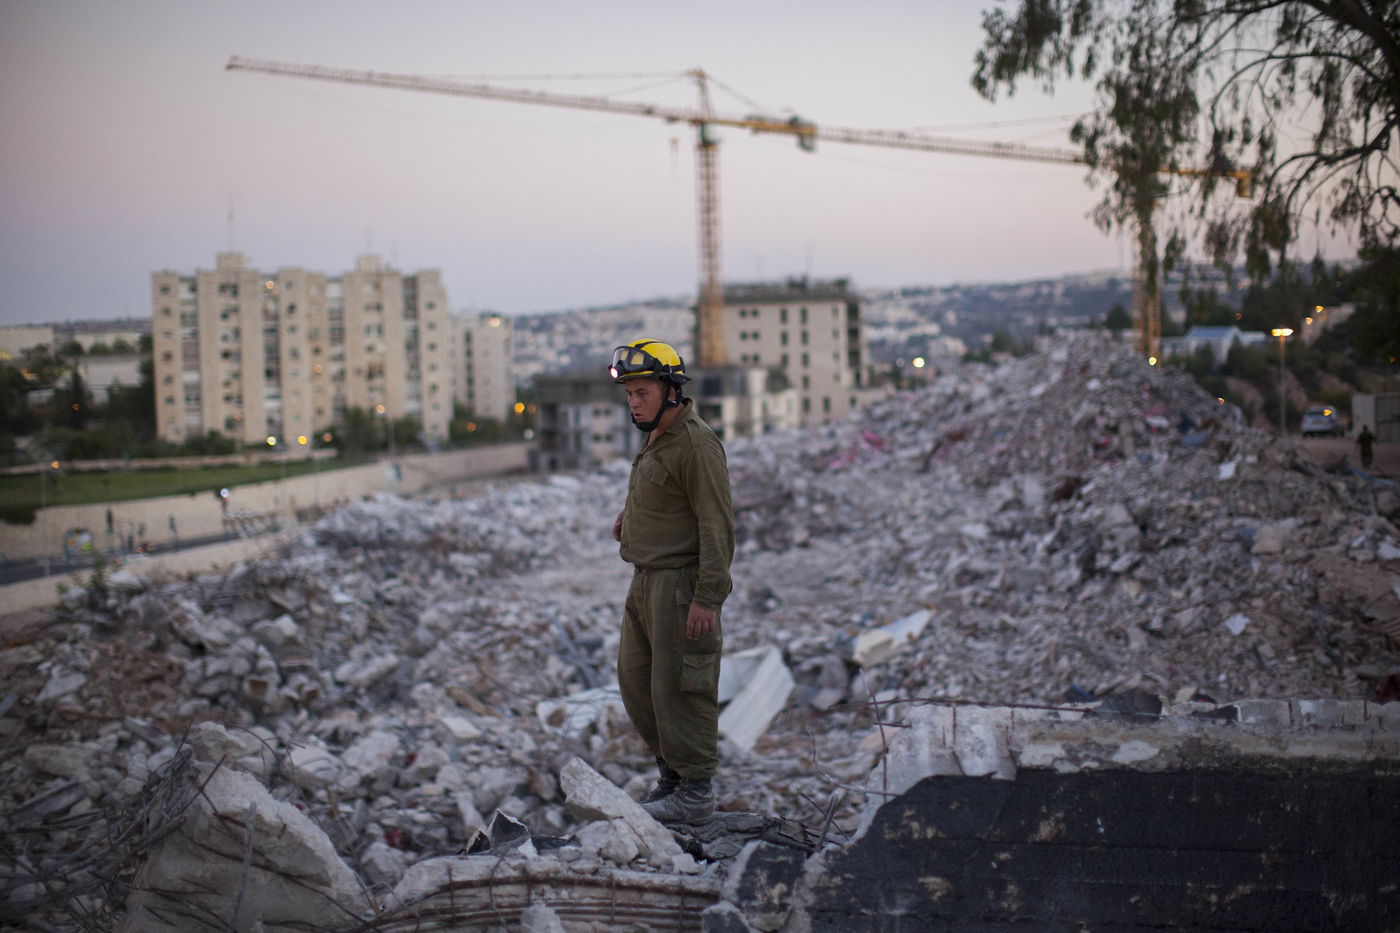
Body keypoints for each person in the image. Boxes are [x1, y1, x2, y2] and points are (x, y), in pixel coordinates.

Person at [608, 338, 735, 823]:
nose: (634, 403)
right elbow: (665, 497)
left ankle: (695, 791)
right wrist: (629, 518)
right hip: (644, 582)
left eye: (642, 392)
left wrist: (708, 597)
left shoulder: (696, 444)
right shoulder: (657, 435)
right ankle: (671, 780)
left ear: (671, 390)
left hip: (681, 588)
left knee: (681, 688)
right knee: (640, 685)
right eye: (630, 395)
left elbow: (716, 524)